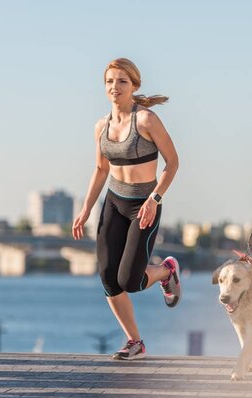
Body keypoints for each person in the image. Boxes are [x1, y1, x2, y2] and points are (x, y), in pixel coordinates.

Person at [72, 58, 181, 360]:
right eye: (109, 81)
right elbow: (99, 169)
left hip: (144, 205)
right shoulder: (101, 127)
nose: (114, 87)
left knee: (130, 281)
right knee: (108, 277)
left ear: (134, 85)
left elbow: (173, 163)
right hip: (114, 203)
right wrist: (85, 210)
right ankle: (135, 342)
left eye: (121, 81)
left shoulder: (145, 120)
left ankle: (166, 272)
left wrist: (154, 200)